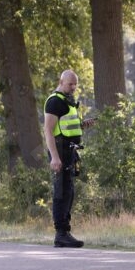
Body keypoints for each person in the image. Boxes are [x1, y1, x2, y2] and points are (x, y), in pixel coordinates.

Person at [43, 70, 95, 248]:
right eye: (70, 84)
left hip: (70, 152)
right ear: (61, 81)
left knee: (69, 192)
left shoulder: (68, 101)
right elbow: (48, 131)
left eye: (75, 84)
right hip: (60, 151)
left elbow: (67, 126)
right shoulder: (55, 101)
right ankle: (61, 234)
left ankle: (65, 232)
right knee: (61, 192)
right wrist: (55, 158)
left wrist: (82, 125)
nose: (73, 87)